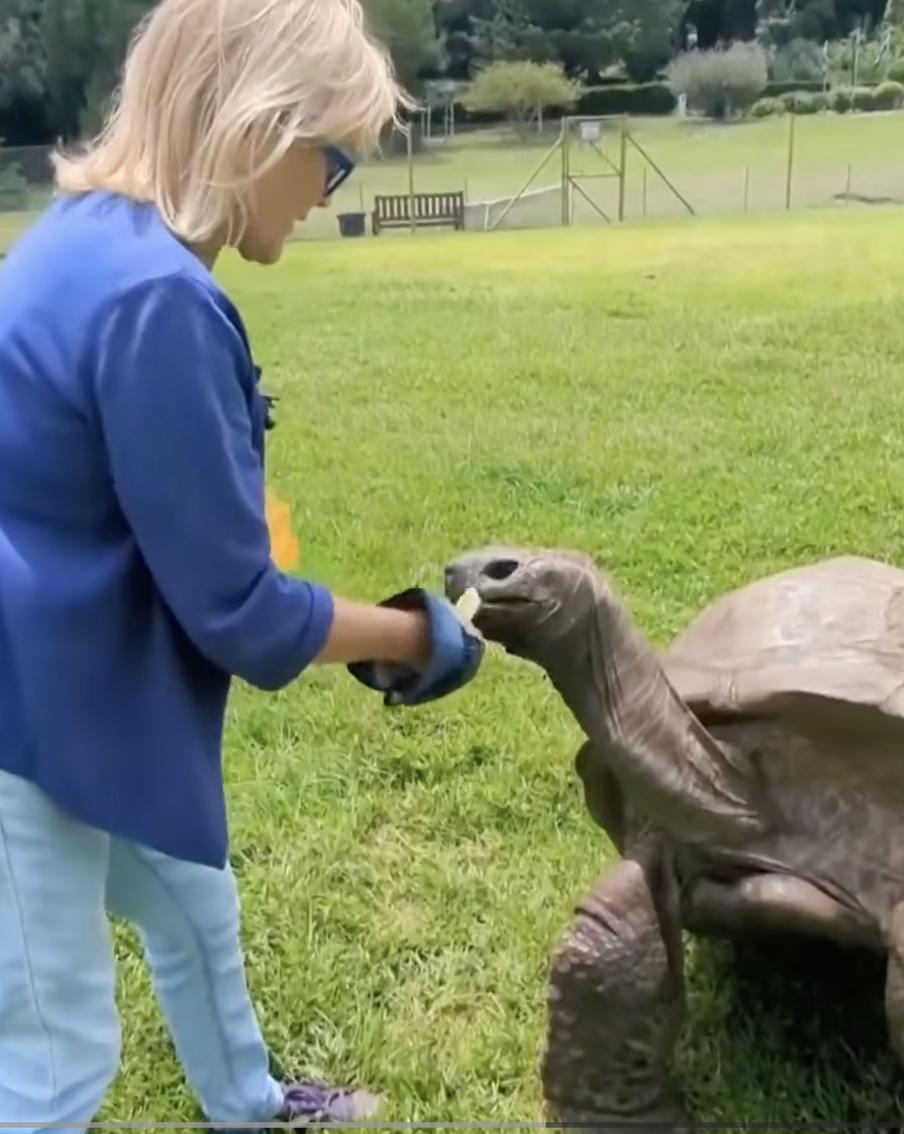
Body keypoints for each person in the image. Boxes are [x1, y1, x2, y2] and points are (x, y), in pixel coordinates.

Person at [0, 0, 485, 1129]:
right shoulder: (162, 298)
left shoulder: (72, 236)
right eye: (335, 159)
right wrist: (420, 636)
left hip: (79, 695)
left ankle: (254, 1104)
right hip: (25, 729)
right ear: (255, 127)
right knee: (53, 1056)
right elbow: (242, 616)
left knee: (190, 905)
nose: (331, 194)